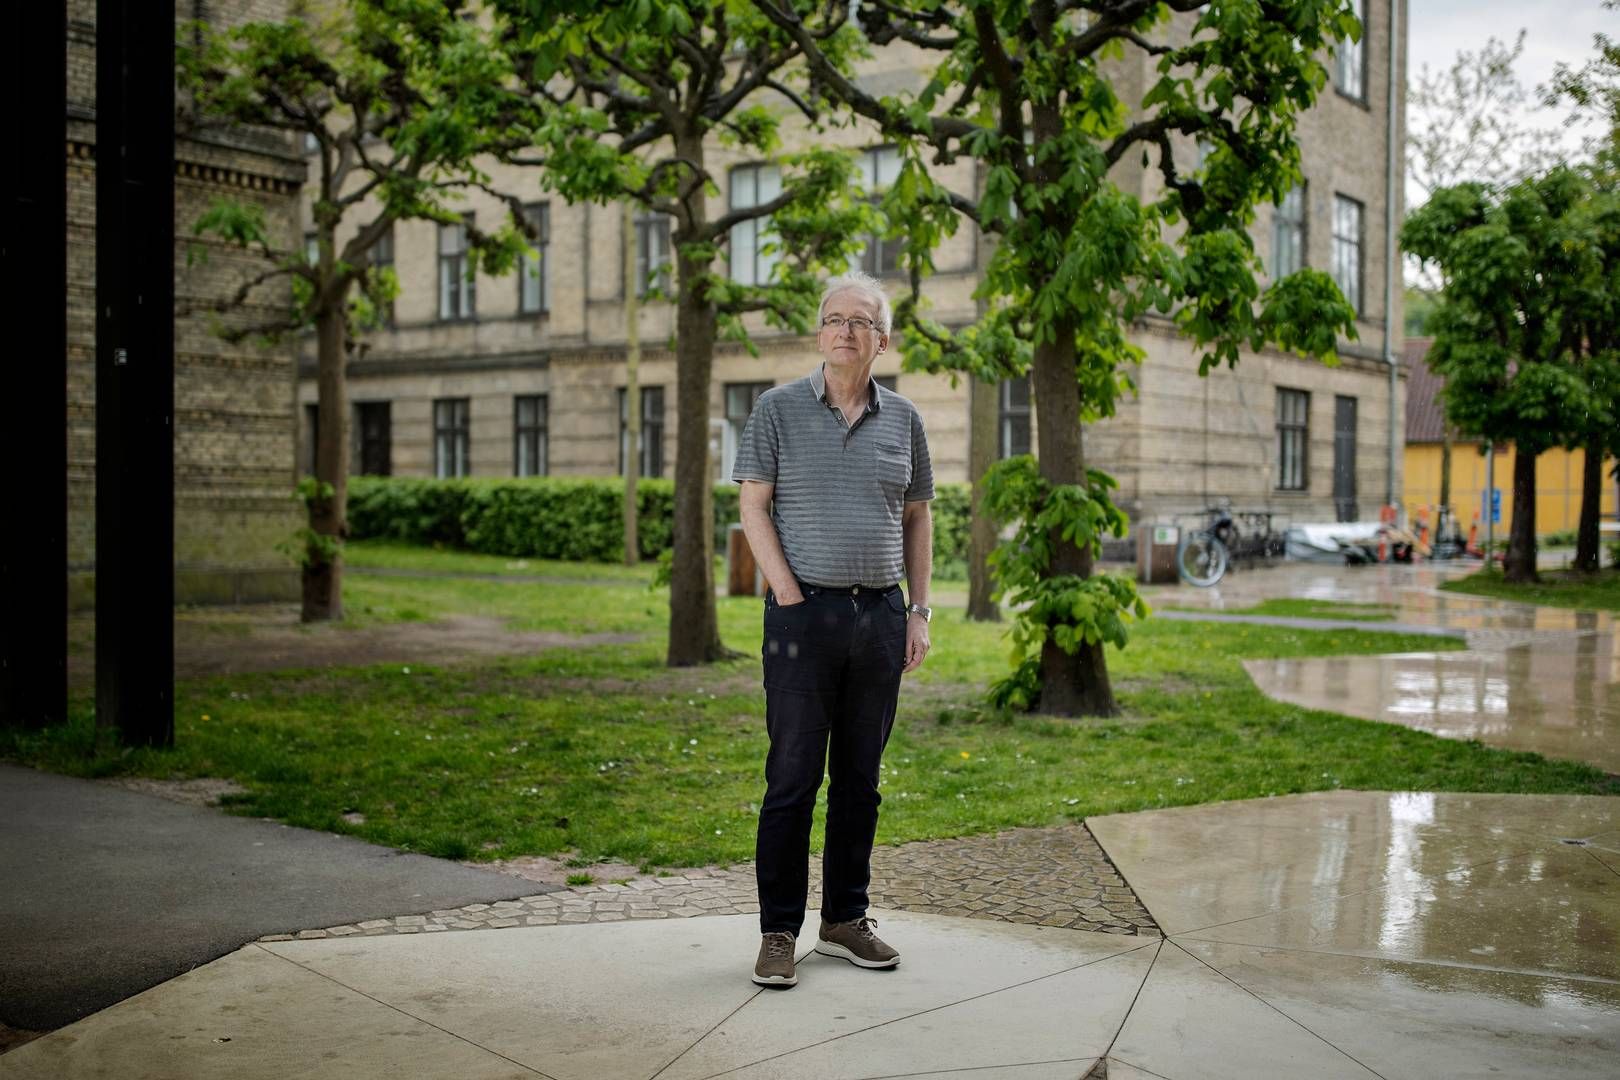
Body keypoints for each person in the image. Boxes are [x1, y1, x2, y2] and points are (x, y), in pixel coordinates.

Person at [731, 270, 935, 988]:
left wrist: (918, 610)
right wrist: (788, 594)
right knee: (790, 777)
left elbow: (917, 517)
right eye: (834, 318)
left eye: (861, 321)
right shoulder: (777, 410)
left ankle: (846, 918)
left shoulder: (906, 420)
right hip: (801, 616)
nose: (845, 331)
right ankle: (778, 930)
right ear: (820, 332)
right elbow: (754, 507)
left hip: (879, 618)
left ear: (883, 338)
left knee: (860, 780)